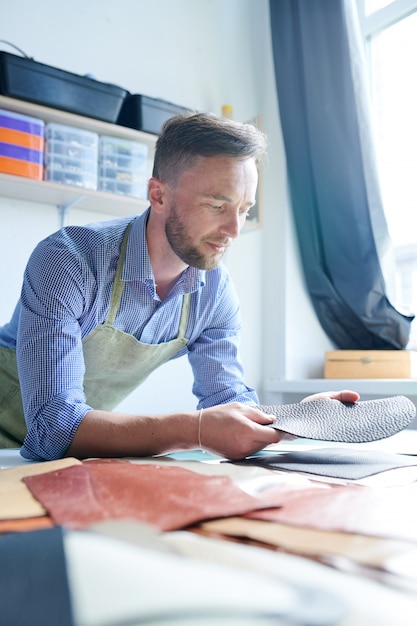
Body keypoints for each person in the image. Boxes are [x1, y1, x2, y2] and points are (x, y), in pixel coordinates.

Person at [0, 112, 359, 461]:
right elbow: (52, 427)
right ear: (158, 196)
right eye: (217, 205)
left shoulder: (214, 293)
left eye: (244, 210)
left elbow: (227, 400)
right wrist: (196, 430)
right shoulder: (69, 261)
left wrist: (293, 420)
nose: (235, 230)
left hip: (63, 456)